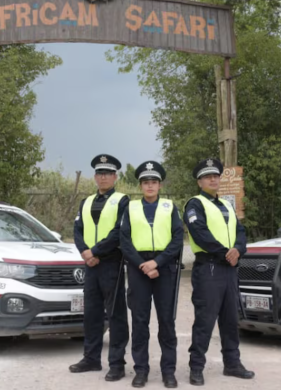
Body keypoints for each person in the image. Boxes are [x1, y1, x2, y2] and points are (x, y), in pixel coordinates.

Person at [184, 158, 255, 386]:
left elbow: (240, 232)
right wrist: (226, 252)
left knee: (230, 319)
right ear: (199, 182)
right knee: (205, 320)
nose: (213, 179)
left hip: (229, 269)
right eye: (207, 177)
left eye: (215, 176)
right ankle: (196, 367)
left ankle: (232, 364)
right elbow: (200, 234)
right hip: (210, 268)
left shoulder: (226, 205)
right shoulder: (194, 205)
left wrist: (238, 250)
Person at [120, 161, 184, 388]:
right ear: (140, 185)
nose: (150, 186)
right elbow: (124, 241)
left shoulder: (170, 207)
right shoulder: (131, 208)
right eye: (146, 182)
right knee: (139, 321)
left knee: (167, 321)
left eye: (154, 182)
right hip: (139, 270)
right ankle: (141, 370)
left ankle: (168, 371)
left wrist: (157, 262)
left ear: (160, 185)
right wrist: (143, 265)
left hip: (164, 268)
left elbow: (178, 239)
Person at [69, 154, 130, 382]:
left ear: (115, 177)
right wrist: (85, 252)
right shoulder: (86, 202)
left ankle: (117, 363)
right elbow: (77, 231)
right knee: (91, 314)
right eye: (100, 173)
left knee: (116, 315)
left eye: (108, 174)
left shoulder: (123, 201)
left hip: (111, 263)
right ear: (95, 177)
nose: (103, 177)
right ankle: (91, 358)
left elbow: (119, 232)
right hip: (91, 266)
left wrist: (94, 252)